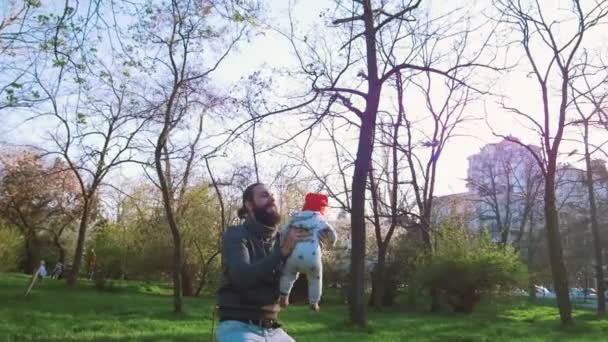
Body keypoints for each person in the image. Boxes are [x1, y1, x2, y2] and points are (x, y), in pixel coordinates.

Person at [216, 183, 326, 342]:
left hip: (273, 329)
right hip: (237, 327)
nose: (272, 199)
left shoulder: (284, 239)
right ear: (249, 205)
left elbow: (291, 286)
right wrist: (282, 252)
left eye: (272, 196)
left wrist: (311, 249)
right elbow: (242, 277)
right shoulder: (235, 235)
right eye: (264, 195)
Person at [278, 193, 337, 312]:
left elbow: (283, 231)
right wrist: (332, 241)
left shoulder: (295, 218)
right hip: (312, 257)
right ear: (321, 209)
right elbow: (331, 233)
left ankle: (284, 296)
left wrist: (282, 243)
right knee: (315, 278)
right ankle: (314, 302)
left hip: (294, 255)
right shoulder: (320, 219)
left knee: (288, 274)